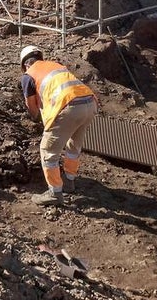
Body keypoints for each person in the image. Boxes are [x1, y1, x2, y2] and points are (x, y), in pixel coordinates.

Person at [19, 45, 98, 206]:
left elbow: (31, 105)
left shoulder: (28, 76)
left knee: (48, 150)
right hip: (90, 103)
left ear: (26, 64)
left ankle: (54, 193)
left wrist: (34, 118)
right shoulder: (55, 65)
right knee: (73, 145)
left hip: (69, 107)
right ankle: (69, 181)